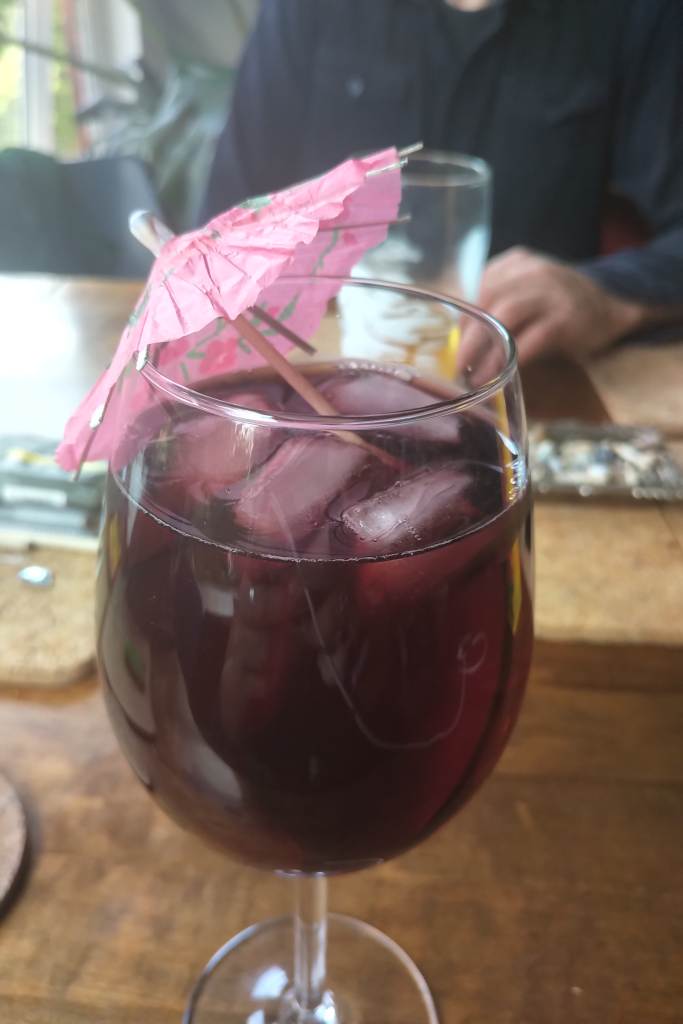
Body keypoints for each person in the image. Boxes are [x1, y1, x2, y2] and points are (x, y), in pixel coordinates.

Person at [202, 0, 683, 364]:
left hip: (523, 382)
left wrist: (605, 294)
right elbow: (225, 227)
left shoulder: (637, 15)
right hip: (315, 372)